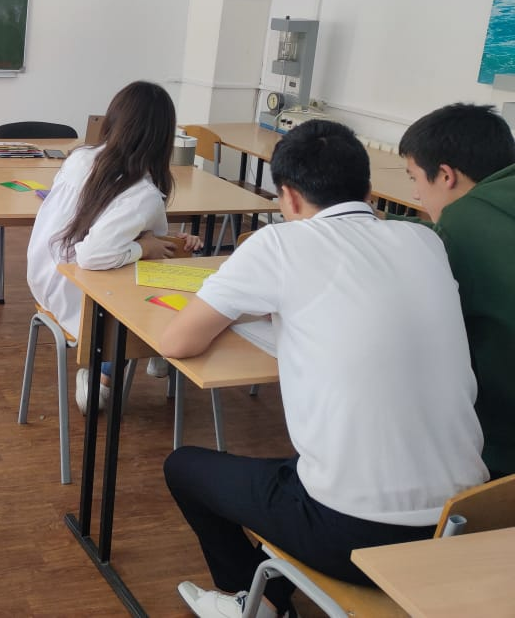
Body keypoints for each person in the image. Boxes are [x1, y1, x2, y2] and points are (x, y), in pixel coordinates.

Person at [158, 120, 487, 618]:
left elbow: (177, 341)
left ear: (289, 197)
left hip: (358, 535)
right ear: (368, 189)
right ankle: (266, 592)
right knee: (307, 461)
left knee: (184, 468)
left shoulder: (278, 245)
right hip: (464, 519)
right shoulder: (425, 242)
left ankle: (256, 602)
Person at [26, 81, 200, 415]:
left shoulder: (81, 157)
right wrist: (144, 248)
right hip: (80, 296)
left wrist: (160, 243)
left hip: (44, 273)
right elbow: (94, 254)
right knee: (161, 284)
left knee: (159, 261)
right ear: (163, 139)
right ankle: (109, 374)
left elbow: (125, 230)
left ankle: (154, 351)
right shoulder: (143, 193)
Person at [399, 102, 515, 479]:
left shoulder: (462, 223)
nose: (416, 195)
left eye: (415, 178)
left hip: (498, 449)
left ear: (446, 175)